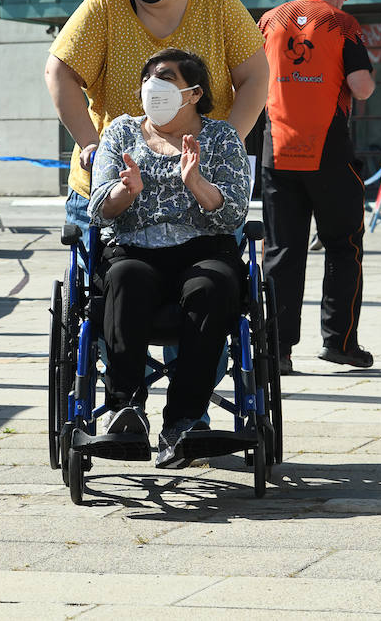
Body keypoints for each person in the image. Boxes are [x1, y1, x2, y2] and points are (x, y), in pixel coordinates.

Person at [45, 0, 268, 230]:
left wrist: (227, 143)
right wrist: (91, 144)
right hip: (115, 185)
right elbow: (58, 73)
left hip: (199, 184)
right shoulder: (105, 6)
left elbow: (256, 76)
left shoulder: (218, 4)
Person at [86, 49, 251, 468]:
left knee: (211, 288)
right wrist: (127, 192)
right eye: (149, 79)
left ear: (194, 93)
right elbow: (97, 207)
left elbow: (233, 212)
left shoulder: (220, 138)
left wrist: (196, 182)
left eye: (166, 79)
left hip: (203, 250)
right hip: (134, 249)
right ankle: (126, 409)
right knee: (125, 279)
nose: (152, 88)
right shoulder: (121, 134)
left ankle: (183, 420)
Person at [259, 0, 376, 373]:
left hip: (278, 151)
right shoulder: (341, 24)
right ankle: (340, 342)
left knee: (282, 251)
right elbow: (361, 88)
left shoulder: (269, 21)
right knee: (343, 246)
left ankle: (278, 350)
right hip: (328, 152)